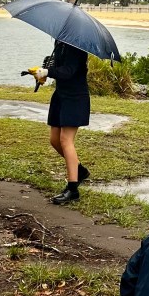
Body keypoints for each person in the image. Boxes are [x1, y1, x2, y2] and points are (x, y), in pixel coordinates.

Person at [28, 39, 90, 205]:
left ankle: (73, 189)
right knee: (54, 140)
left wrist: (48, 72)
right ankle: (80, 170)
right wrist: (43, 72)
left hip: (75, 97)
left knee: (65, 140)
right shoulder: (60, 42)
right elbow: (58, 67)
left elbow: (69, 71)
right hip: (60, 95)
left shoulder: (77, 45)